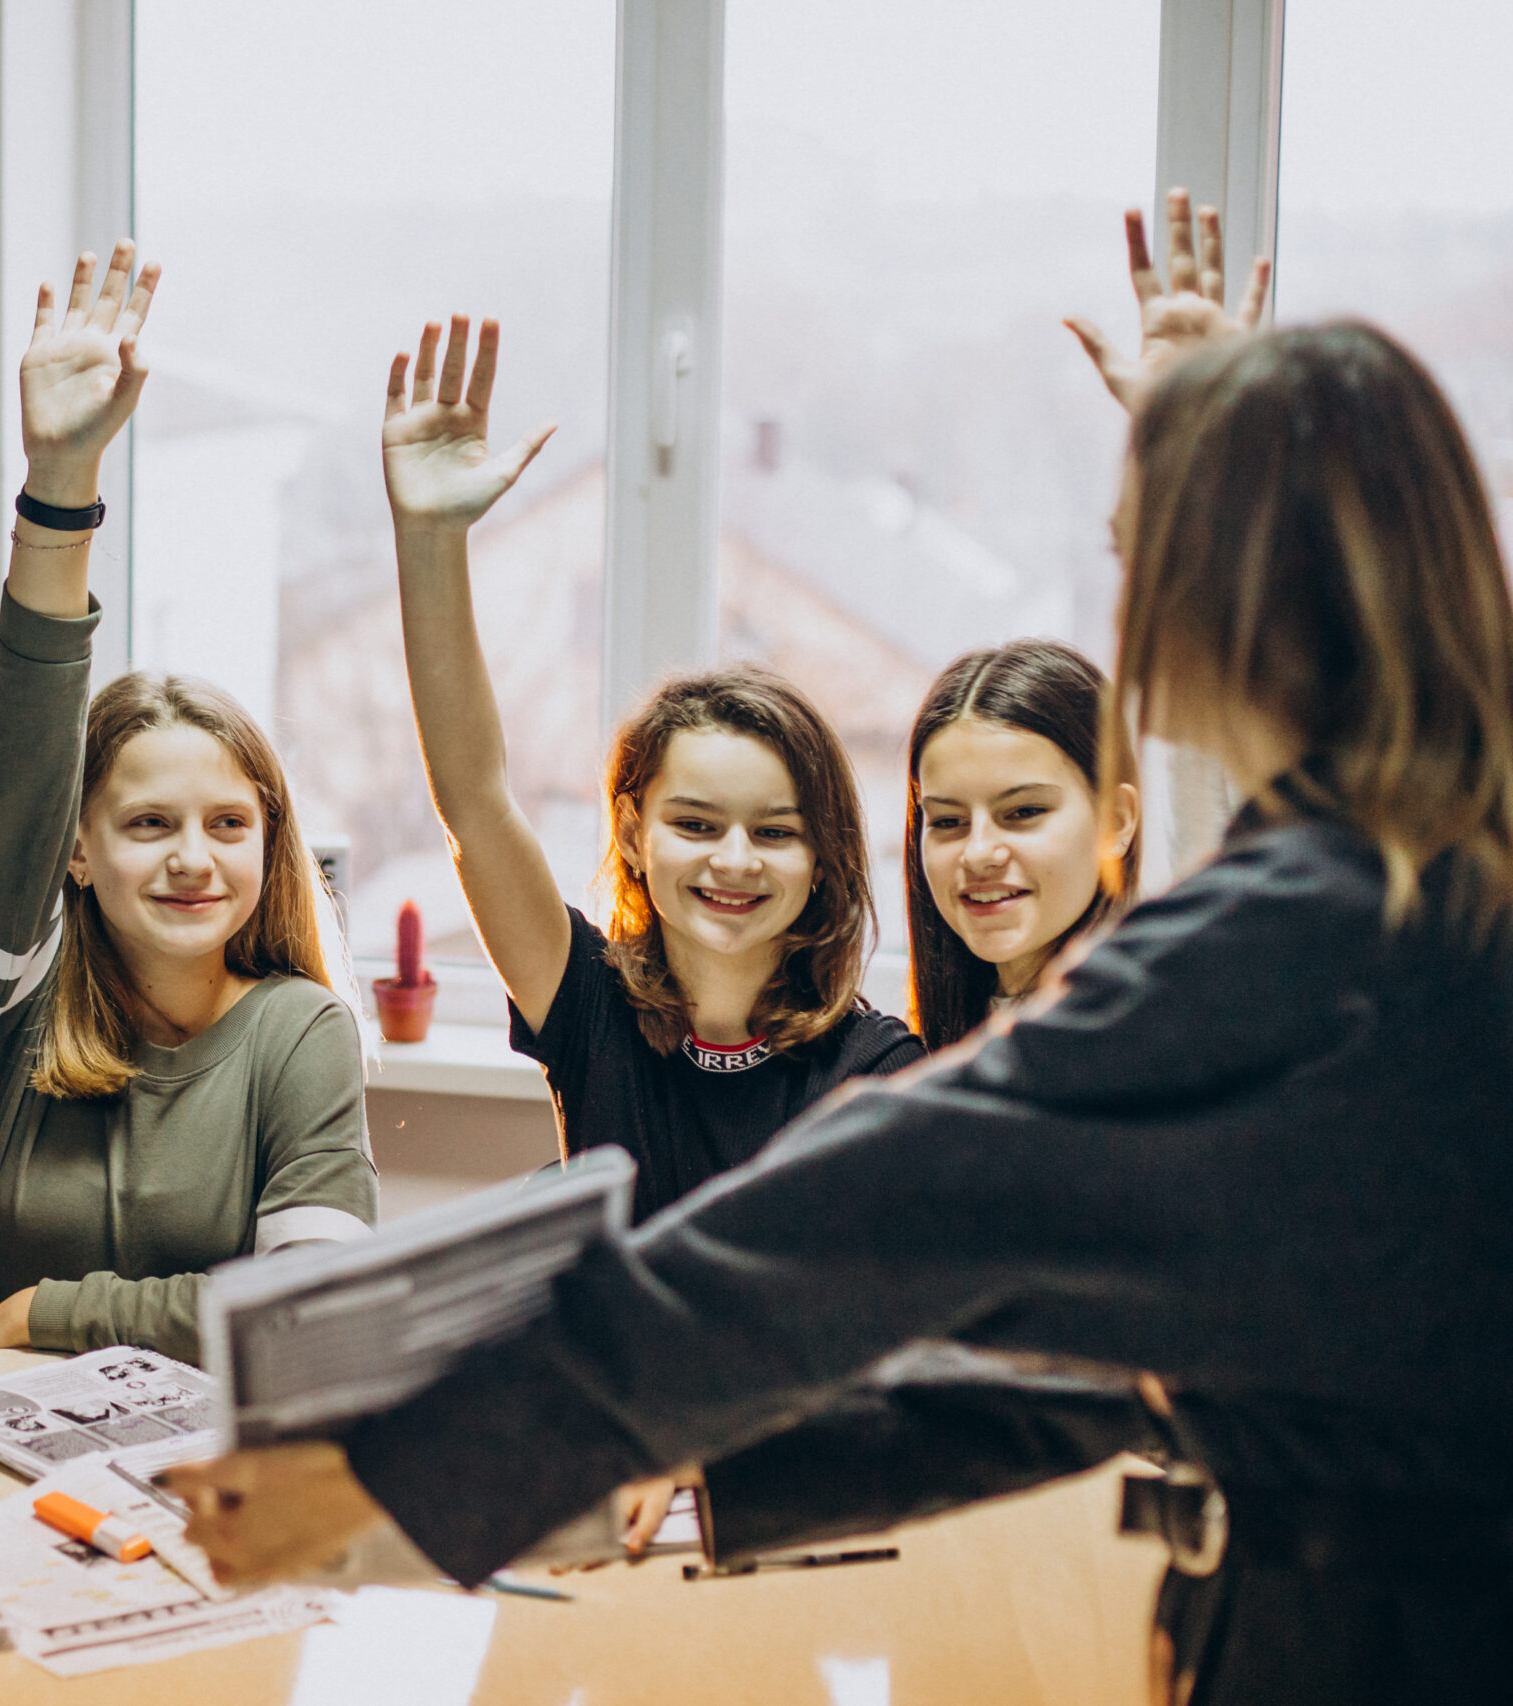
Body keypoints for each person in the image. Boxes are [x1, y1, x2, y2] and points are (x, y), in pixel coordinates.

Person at [172, 208, 1513, 1706]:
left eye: (1140, 550)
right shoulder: (1434, 897)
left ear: (1233, 583)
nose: (1126, 598)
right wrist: (682, 1459)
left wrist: (405, 1465)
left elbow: (873, 1212)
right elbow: (1064, 1381)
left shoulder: (1307, 935)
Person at [384, 313, 923, 1236]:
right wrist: (430, 540)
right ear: (633, 830)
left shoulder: (876, 1070)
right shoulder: (589, 1002)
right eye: (697, 824)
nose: (736, 860)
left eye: (778, 831)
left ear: (828, 856)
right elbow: (474, 804)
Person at [0, 244, 378, 1365]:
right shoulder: (14, 997)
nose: (193, 857)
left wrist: (49, 1313)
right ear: (74, 850)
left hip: (210, 1485)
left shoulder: (300, 1032)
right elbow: (17, 752)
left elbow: (315, 1313)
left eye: (228, 823)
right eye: (147, 824)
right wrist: (60, 481)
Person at [906, 639, 1140, 1048]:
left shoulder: (1170, 1033)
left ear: (1116, 820)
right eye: (948, 821)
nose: (978, 853)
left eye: (1024, 812)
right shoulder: (921, 1041)